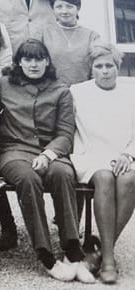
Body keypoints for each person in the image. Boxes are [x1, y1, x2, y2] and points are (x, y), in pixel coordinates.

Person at [0, 39, 94, 283]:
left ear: (47, 61)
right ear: (19, 62)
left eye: (39, 59)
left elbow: (65, 133)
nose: (33, 64)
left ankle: (72, 250)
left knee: (63, 174)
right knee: (28, 179)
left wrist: (48, 154)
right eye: (27, 59)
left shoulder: (61, 90)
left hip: (51, 152)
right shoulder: (4, 85)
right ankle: (46, 254)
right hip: (13, 151)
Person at [71, 44, 135, 284]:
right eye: (99, 66)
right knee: (105, 176)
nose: (105, 71)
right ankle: (108, 260)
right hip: (91, 154)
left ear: (118, 67)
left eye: (110, 65)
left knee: (129, 178)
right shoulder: (77, 92)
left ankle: (101, 254)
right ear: (91, 69)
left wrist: (129, 154)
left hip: (123, 154)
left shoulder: (131, 91)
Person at [40, 0, 100, 86]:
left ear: (78, 8)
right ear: (52, 9)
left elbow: (98, 68)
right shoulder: (44, 34)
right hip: (51, 92)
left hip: (83, 90)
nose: (64, 11)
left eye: (69, 6)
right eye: (59, 7)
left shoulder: (92, 36)